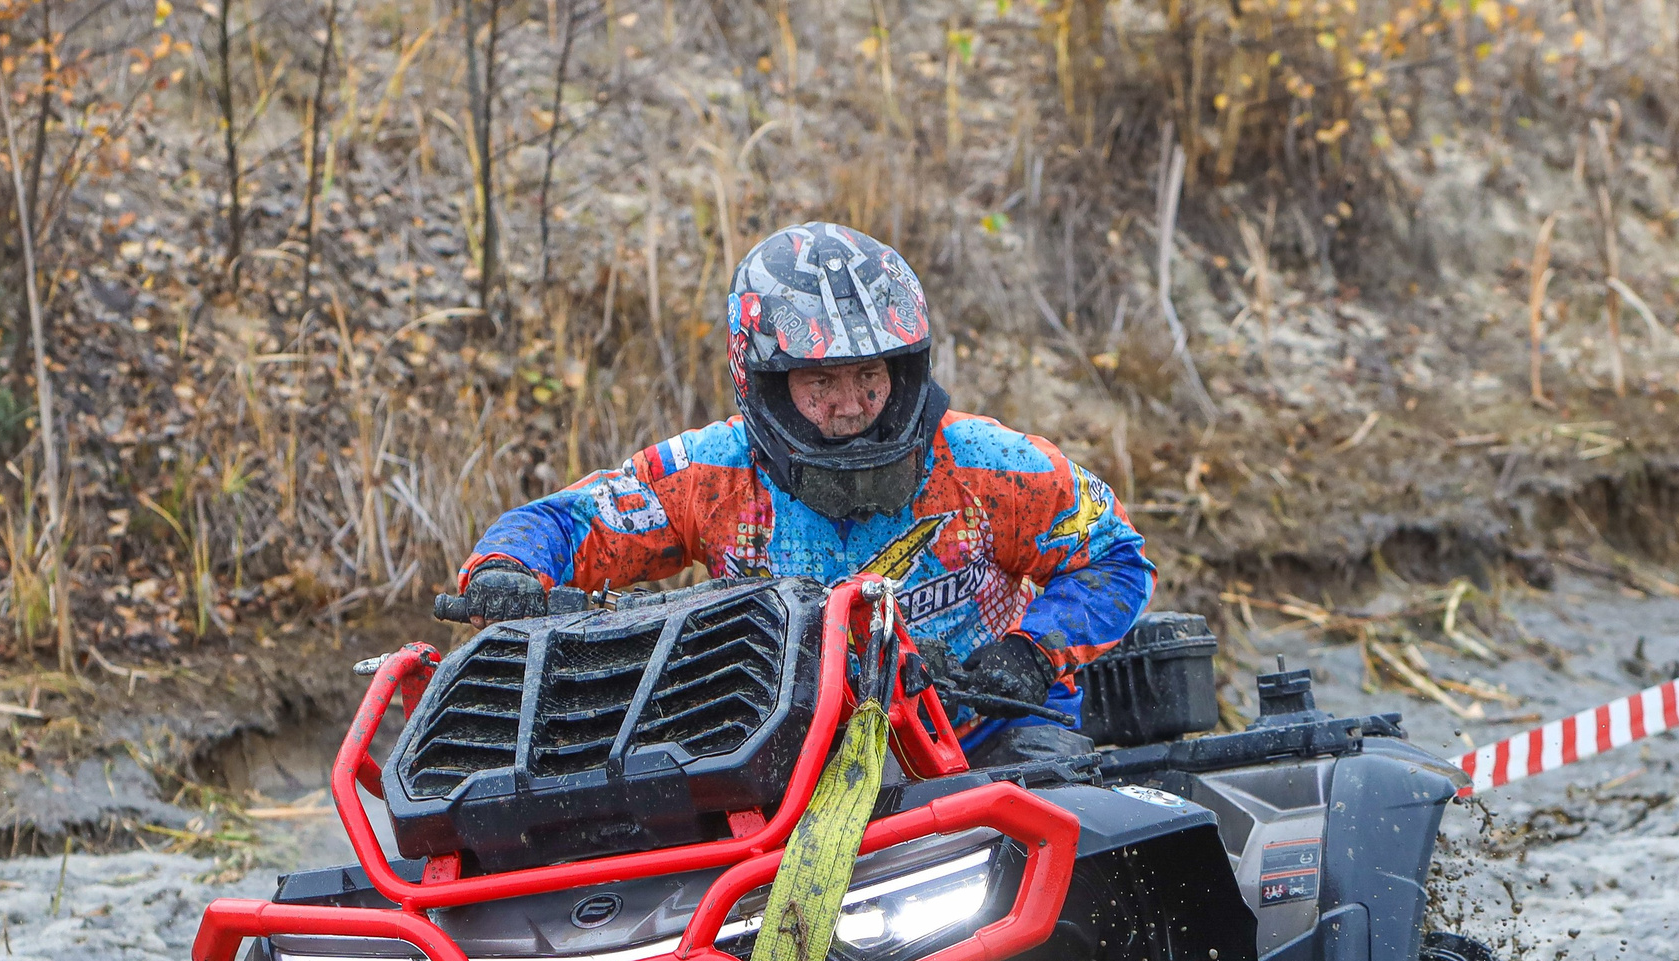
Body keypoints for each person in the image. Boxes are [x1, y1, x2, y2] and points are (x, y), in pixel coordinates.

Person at [451, 222, 1155, 764]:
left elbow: (1118, 557)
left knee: (1059, 840)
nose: (851, 404)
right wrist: (507, 571)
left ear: (905, 367)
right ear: (766, 379)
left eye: (869, 376)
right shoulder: (712, 473)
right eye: (821, 382)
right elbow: (571, 522)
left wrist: (1032, 653)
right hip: (787, 749)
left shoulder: (995, 464)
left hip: (986, 730)